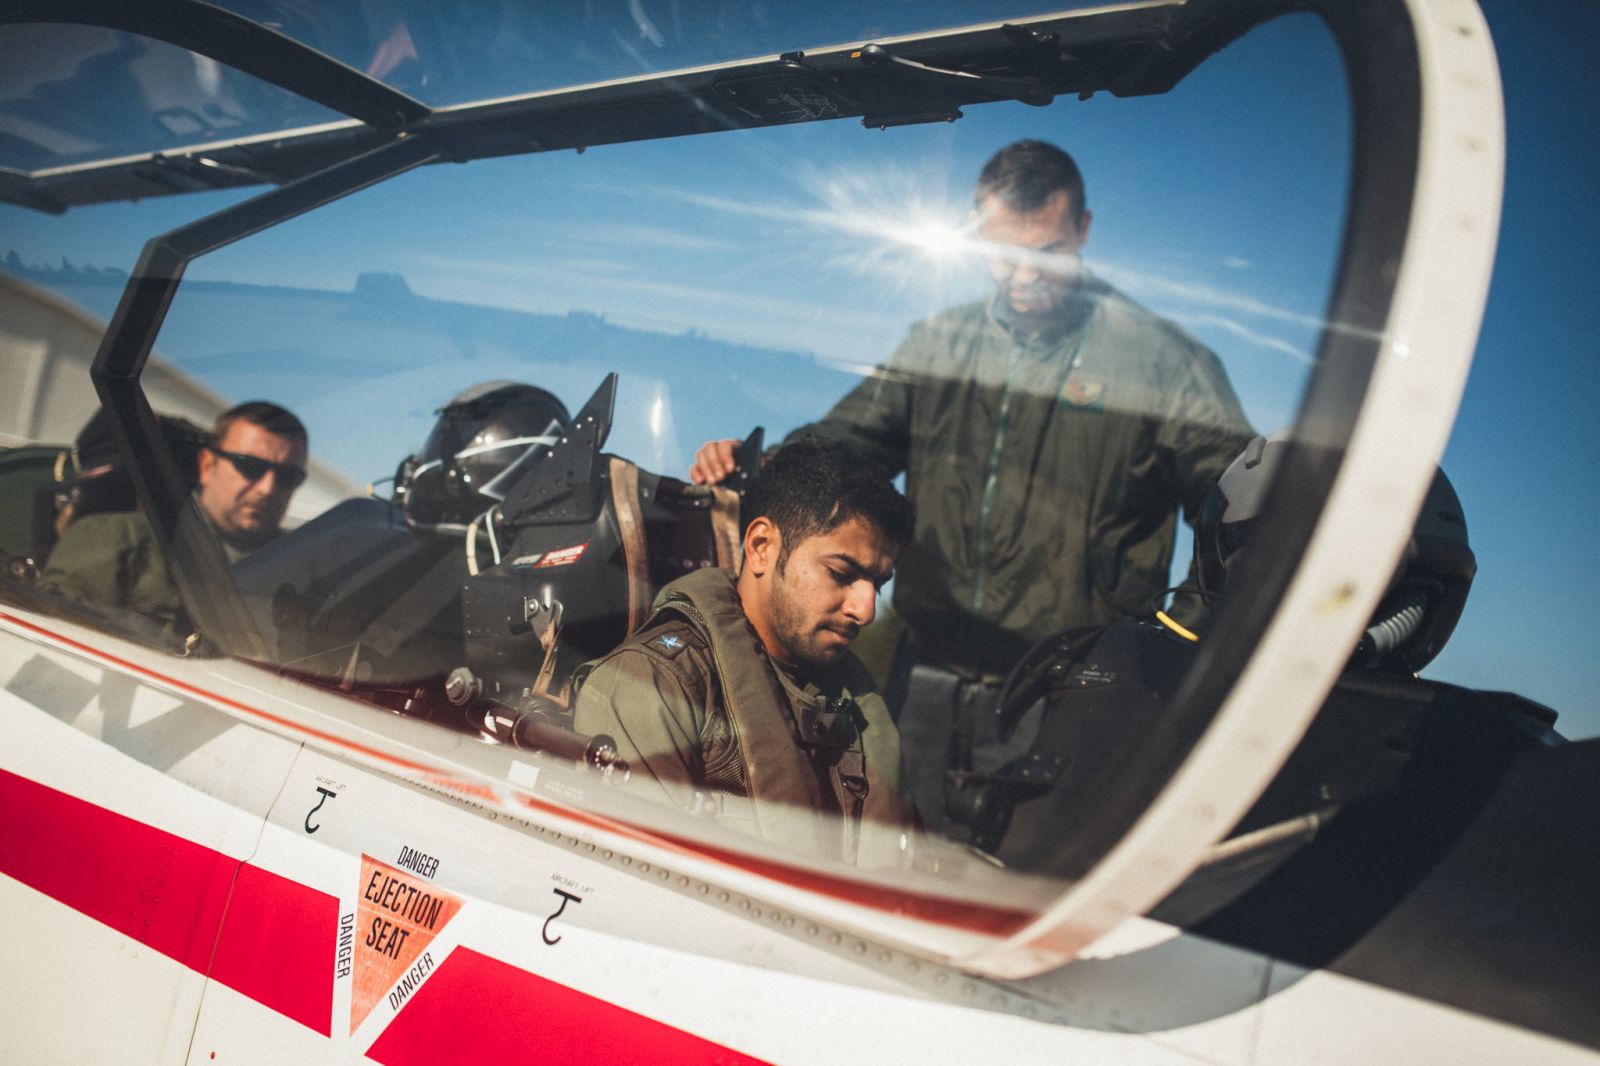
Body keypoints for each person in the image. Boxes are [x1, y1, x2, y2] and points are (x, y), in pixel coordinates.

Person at [691, 140, 1254, 834]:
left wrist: (1172, 641)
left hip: (1069, 693)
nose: (1022, 275)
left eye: (1045, 251)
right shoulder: (940, 345)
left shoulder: (1162, 363)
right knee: (888, 863)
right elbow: (850, 444)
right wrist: (760, 467)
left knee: (1014, 892)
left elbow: (1242, 508)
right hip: (923, 678)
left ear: (1082, 230)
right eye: (1000, 251)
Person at [572, 438, 915, 866]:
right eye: (841, 574)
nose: (864, 610)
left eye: (877, 585)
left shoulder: (855, 707)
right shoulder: (654, 690)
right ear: (761, 547)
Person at [40, 401, 308, 630]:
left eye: (288, 476)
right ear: (207, 465)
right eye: (250, 466)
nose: (267, 488)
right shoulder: (118, 538)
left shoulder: (307, 572)